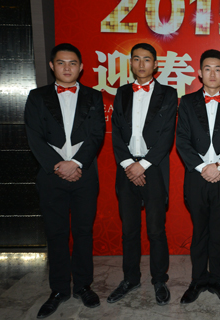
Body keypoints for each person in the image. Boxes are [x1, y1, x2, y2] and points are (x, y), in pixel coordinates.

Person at [24, 43, 105, 318]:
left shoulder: (93, 96)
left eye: (72, 63)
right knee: (56, 233)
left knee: (83, 232)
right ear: (52, 66)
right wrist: (58, 166)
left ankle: (83, 286)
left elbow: (97, 135)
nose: (67, 68)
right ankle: (58, 290)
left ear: (81, 67)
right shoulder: (37, 97)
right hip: (51, 175)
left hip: (84, 175)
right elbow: (34, 136)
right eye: (61, 63)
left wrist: (76, 163)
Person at [107, 43, 176, 306]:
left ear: (155, 64)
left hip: (153, 169)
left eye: (147, 59)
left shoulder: (168, 94)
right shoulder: (122, 92)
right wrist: (129, 164)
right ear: (131, 63)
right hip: (126, 170)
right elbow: (115, 132)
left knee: (156, 229)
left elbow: (167, 136)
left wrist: (143, 165)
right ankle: (130, 278)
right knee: (129, 230)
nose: (141, 64)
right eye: (136, 59)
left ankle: (159, 279)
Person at [176, 49, 220, 304]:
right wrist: (203, 167)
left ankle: (218, 280)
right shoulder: (187, 102)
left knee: (218, 231)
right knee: (199, 232)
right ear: (199, 73)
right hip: (196, 176)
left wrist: (219, 166)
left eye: (217, 69)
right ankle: (197, 280)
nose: (212, 73)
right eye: (207, 68)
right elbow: (182, 140)